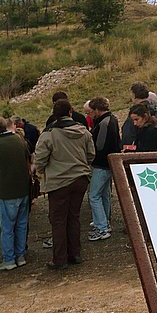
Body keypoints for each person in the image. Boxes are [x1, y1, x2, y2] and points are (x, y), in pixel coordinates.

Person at [35, 99, 95, 269]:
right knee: (73, 217)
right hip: (80, 179)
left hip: (58, 182)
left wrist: (44, 171)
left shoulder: (49, 134)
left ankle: (60, 259)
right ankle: (75, 254)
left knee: (58, 220)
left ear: (54, 113)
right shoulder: (83, 131)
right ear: (70, 112)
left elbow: (40, 160)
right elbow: (91, 154)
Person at [0, 119, 32, 270]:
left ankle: (9, 259)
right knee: (21, 224)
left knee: (7, 227)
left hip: (6, 191)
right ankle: (20, 255)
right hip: (23, 188)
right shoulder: (19, 140)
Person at [87, 97, 121, 242]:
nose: (90, 115)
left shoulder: (104, 123)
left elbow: (99, 146)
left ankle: (102, 227)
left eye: (91, 112)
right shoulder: (112, 119)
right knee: (105, 194)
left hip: (101, 164)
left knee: (94, 195)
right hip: (109, 163)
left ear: (97, 110)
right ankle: (105, 221)